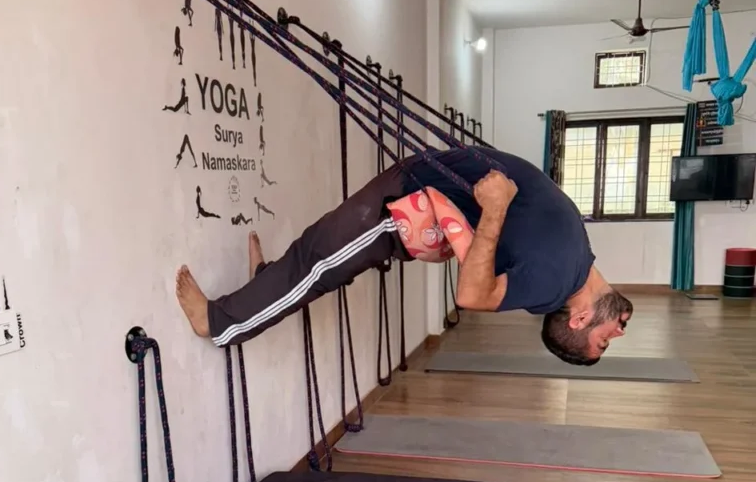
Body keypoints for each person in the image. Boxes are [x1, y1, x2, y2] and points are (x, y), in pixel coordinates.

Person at [176, 147, 633, 365]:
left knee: (317, 261)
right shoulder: (577, 259)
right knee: (317, 255)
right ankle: (267, 280)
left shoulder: (554, 281)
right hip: (414, 184)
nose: (619, 331)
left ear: (579, 320)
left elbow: (472, 296)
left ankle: (220, 324)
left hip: (403, 205)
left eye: (606, 339)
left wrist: (493, 209)